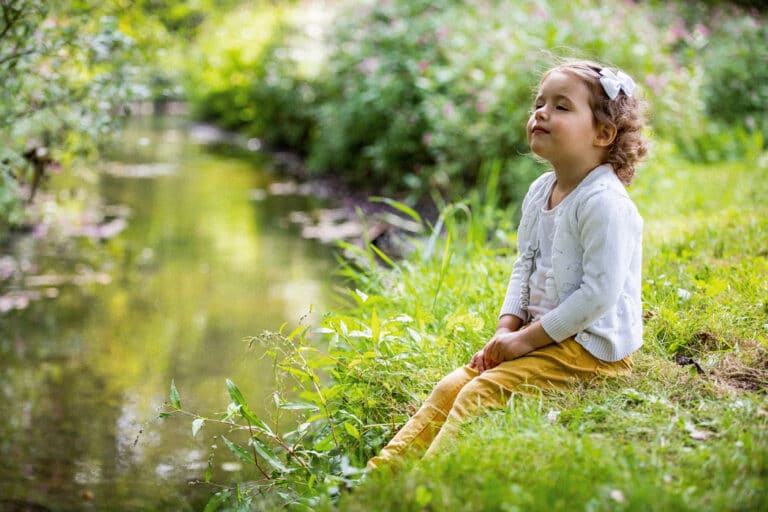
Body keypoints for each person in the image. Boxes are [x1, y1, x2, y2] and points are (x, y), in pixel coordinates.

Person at [367, 59, 648, 470]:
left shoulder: (604, 202)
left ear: (604, 133)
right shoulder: (540, 192)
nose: (541, 113)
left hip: (591, 351)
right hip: (544, 336)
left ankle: (423, 487)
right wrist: (506, 327)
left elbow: (598, 295)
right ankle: (380, 476)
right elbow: (525, 263)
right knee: (453, 386)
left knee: (479, 394)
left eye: (561, 106)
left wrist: (525, 342)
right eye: (539, 103)